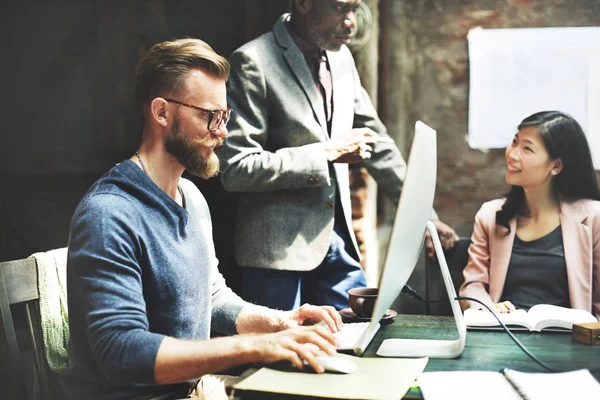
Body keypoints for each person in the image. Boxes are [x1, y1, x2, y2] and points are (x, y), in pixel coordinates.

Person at [61, 38, 345, 400]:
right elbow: (122, 352)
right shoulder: (108, 214)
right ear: (161, 113)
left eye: (224, 116)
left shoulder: (191, 198)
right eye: (209, 116)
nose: (222, 131)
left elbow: (210, 298)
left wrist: (278, 323)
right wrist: (256, 347)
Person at [216, 0, 458, 311]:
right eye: (340, 9)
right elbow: (236, 168)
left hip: (339, 244)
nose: (351, 23)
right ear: (304, 4)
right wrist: (325, 154)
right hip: (277, 258)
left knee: (362, 338)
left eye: (355, 9)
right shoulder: (253, 60)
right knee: (282, 355)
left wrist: (426, 216)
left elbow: (378, 143)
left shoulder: (342, 59)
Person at [459, 111, 600, 319]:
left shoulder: (593, 217)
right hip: (504, 335)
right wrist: (486, 310)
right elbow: (473, 284)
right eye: (514, 142)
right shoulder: (491, 215)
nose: (512, 154)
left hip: (570, 342)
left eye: (527, 148)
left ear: (556, 165)